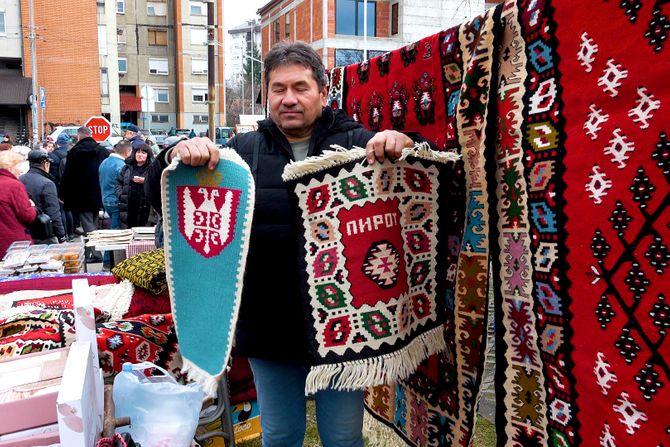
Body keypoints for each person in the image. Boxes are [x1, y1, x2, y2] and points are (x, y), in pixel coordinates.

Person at [146, 41, 413, 447]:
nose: (289, 98)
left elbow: (427, 185)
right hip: (268, 326)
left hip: (344, 329)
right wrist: (174, 156)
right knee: (281, 435)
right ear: (267, 95)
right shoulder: (240, 155)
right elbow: (164, 198)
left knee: (343, 438)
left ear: (323, 93)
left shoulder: (359, 146)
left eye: (300, 87)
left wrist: (403, 144)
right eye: (278, 88)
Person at [60, 126, 109, 262]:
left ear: (79, 136)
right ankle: (89, 253)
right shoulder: (102, 151)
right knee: (93, 223)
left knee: (88, 225)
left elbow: (68, 175)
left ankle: (97, 254)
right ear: (90, 134)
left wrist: (62, 193)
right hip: (98, 192)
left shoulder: (74, 152)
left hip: (80, 195)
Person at [19, 150, 66, 244]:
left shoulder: (19, 179)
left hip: (25, 230)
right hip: (44, 232)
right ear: (45, 164)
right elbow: (53, 213)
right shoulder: (47, 183)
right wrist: (61, 236)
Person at [0, 151, 36, 258]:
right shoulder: (14, 186)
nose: (20, 170)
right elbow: (28, 216)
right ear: (10, 168)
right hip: (14, 243)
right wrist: (32, 207)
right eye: (18, 166)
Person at [117, 143, 153, 229]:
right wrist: (121, 195)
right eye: (138, 152)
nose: (140, 155)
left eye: (143, 153)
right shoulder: (127, 167)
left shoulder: (152, 169)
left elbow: (158, 184)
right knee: (127, 231)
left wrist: (145, 181)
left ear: (148, 155)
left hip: (145, 208)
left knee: (142, 232)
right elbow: (118, 182)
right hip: (128, 207)